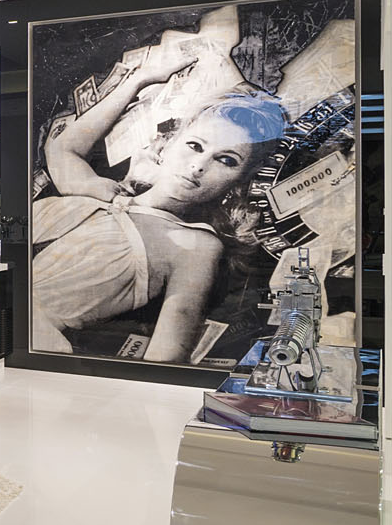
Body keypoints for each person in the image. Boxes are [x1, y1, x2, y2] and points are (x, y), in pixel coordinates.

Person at [32, 40, 286, 362]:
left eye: (226, 160)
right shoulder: (103, 191)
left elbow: (167, 355)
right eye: (195, 146)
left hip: (31, 345)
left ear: (238, 182)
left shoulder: (196, 246)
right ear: (168, 144)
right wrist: (140, 79)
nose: (198, 166)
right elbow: (61, 148)